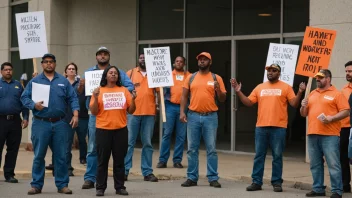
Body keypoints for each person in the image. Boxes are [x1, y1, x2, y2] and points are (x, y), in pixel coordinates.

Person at [230, 64, 306, 192]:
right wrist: (238, 91)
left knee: (277, 156)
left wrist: (299, 92)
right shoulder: (260, 87)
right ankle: (256, 182)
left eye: (274, 70)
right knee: (259, 155)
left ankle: (276, 182)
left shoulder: (286, 87)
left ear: (279, 73)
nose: (270, 72)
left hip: (279, 127)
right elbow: (248, 102)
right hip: (261, 127)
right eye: (269, 70)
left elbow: (294, 103)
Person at [21, 53, 80, 195]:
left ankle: (62, 185)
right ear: (42, 64)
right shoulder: (35, 81)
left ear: (55, 64)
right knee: (39, 155)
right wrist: (34, 105)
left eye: (51, 62)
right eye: (46, 62)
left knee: (61, 156)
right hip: (41, 123)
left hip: (60, 123)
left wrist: (76, 114)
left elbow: (73, 98)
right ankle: (36, 185)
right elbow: (24, 97)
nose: (49, 64)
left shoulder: (63, 81)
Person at [82, 47, 134, 189]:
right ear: (96, 56)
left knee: (118, 154)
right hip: (96, 115)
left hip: (117, 116)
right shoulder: (89, 73)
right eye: (100, 54)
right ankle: (90, 179)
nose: (103, 56)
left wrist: (117, 91)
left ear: (109, 56)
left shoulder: (119, 73)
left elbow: (130, 86)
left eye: (105, 54)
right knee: (93, 149)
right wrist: (81, 86)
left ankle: (119, 184)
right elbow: (80, 91)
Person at [180, 52, 226, 188]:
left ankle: (212, 178)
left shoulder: (216, 78)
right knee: (192, 149)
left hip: (210, 116)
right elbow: (183, 96)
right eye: (200, 59)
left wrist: (218, 90)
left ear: (210, 62)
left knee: (211, 149)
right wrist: (182, 112)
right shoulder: (190, 77)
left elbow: (223, 99)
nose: (202, 61)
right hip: (193, 116)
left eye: (205, 59)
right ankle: (192, 178)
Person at [300, 69, 349, 198]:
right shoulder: (312, 94)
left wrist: (332, 118)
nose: (318, 79)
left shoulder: (337, 94)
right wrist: (303, 106)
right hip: (312, 133)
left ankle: (337, 191)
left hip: (330, 135)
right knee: (315, 164)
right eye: (317, 77)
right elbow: (303, 114)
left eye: (321, 77)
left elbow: (346, 111)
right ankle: (318, 188)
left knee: (333, 164)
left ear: (328, 79)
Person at [90, 66, 136, 196]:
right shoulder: (99, 91)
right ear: (105, 76)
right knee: (102, 161)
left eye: (115, 73)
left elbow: (131, 110)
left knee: (119, 160)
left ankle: (120, 187)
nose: (113, 75)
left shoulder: (124, 90)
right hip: (103, 130)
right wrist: (94, 96)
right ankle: (100, 187)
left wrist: (134, 99)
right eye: (110, 73)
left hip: (120, 130)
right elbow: (93, 112)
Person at [124, 53, 159, 182]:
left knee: (148, 144)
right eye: (141, 58)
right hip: (132, 114)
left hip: (149, 113)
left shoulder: (155, 74)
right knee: (128, 143)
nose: (143, 59)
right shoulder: (130, 73)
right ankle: (124, 171)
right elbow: (123, 90)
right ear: (138, 60)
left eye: (145, 58)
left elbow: (159, 92)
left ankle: (147, 172)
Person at [157, 56, 190, 169]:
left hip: (183, 108)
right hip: (169, 106)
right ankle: (162, 160)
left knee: (181, 135)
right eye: (177, 61)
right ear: (173, 63)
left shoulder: (189, 76)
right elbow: (160, 89)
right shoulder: (167, 75)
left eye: (181, 62)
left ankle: (177, 160)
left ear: (184, 64)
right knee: (167, 133)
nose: (179, 63)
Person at [0, 62, 29, 183]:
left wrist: (26, 117)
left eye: (10, 70)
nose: (8, 71)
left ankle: (9, 174)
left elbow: (24, 103)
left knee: (13, 149)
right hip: (0, 120)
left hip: (15, 121)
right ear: (1, 71)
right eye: (6, 70)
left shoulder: (18, 85)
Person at [340, 61, 352, 193]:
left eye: (350, 71)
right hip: (344, 128)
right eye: (346, 71)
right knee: (343, 157)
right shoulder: (343, 91)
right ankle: (345, 185)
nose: (347, 74)